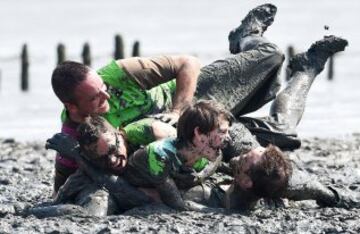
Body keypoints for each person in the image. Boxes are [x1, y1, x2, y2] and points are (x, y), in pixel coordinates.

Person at [51, 55, 201, 193]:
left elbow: (189, 63)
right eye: (94, 98)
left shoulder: (118, 74)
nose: (107, 96)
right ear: (72, 107)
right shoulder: (74, 134)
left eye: (103, 87)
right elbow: (62, 185)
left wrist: (177, 112)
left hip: (191, 96)